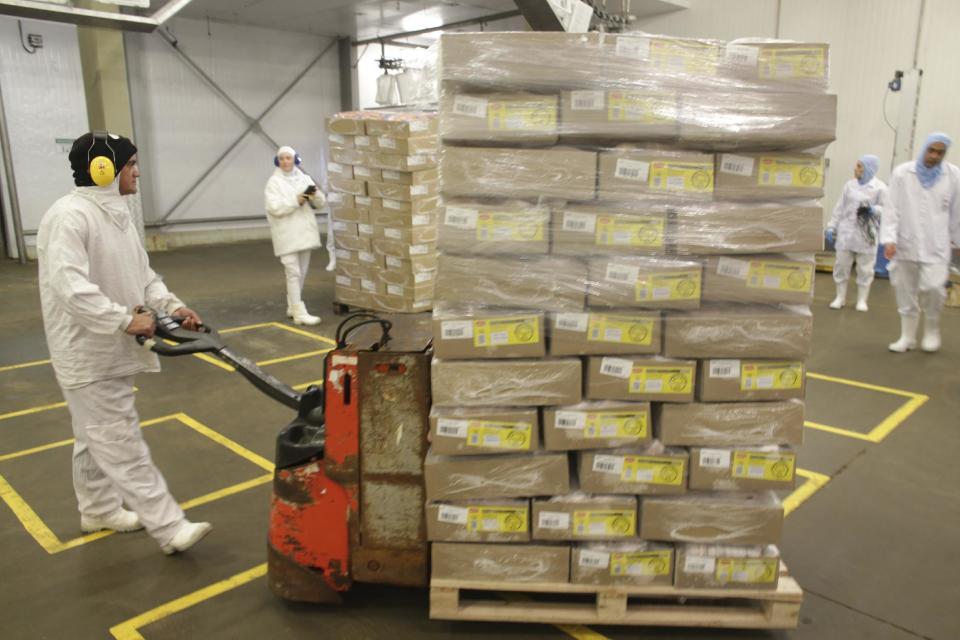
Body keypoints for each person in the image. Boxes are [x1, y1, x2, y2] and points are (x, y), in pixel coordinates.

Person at [36, 132, 212, 555]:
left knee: (91, 435)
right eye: (130, 163)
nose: (137, 171)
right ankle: (170, 528)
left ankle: (97, 509)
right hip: (87, 350)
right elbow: (69, 287)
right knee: (119, 439)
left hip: (110, 346)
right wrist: (121, 319)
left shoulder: (116, 214)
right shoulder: (70, 216)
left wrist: (173, 308)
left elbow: (143, 277)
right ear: (103, 169)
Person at [881, 132, 960, 352]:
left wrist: (958, 240)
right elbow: (891, 209)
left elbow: (957, 212)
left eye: (940, 152)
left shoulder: (953, 176)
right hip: (906, 243)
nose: (934, 156)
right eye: (931, 150)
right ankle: (907, 337)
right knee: (905, 291)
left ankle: (932, 328)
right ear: (924, 148)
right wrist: (889, 238)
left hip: (937, 245)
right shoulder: (902, 173)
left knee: (934, 288)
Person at [264, 146, 326, 325]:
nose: (285, 162)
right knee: (293, 271)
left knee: (302, 272)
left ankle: (293, 305)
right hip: (286, 233)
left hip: (304, 232)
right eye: (282, 158)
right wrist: (295, 201)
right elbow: (274, 208)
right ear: (278, 161)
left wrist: (314, 194)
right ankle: (299, 313)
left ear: (295, 160)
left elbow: (320, 202)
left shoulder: (304, 178)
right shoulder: (273, 183)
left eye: (288, 158)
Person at [825, 154, 888, 311]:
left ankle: (862, 300)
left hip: (867, 235)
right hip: (846, 233)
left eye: (859, 166)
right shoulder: (849, 185)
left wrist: (874, 210)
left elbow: (889, 209)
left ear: (869, 169)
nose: (856, 169)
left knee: (865, 269)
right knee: (841, 266)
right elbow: (840, 207)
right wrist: (831, 226)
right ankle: (840, 297)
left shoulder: (880, 188)